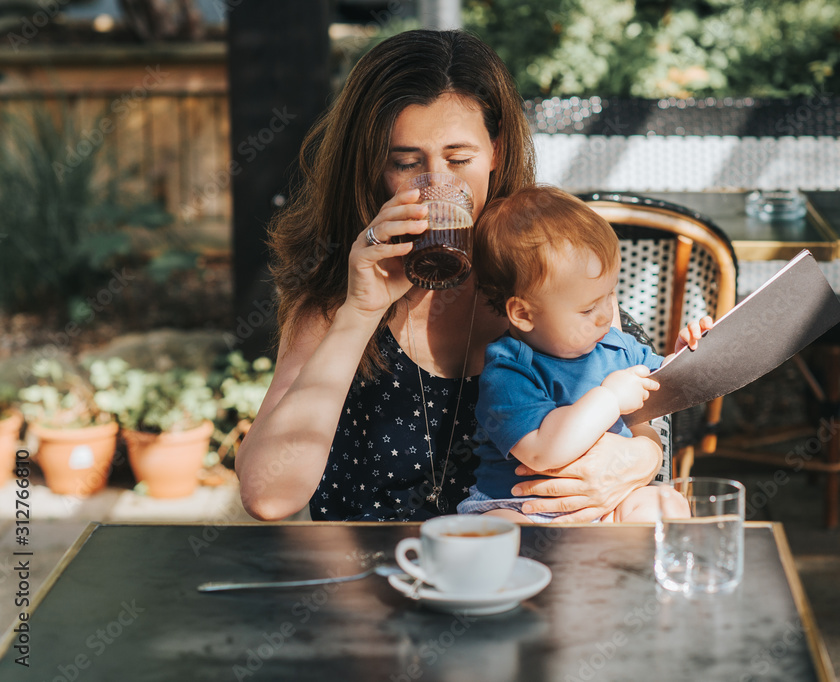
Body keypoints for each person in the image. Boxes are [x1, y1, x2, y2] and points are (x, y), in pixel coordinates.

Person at [236, 29, 686, 523]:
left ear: (495, 150)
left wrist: (643, 458)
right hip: (379, 584)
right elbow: (268, 496)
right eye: (407, 163)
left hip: (529, 580)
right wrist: (359, 312)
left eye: (459, 159)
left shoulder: (548, 276)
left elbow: (635, 405)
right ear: (371, 168)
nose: (440, 185)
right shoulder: (334, 301)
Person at [458, 187, 707, 522]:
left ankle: (630, 570)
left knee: (666, 503)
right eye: (588, 308)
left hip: (609, 502)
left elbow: (664, 387)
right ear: (524, 314)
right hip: (521, 507)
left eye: (610, 296)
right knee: (499, 530)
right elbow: (545, 450)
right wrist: (610, 399)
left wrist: (686, 355)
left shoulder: (615, 344)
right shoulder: (509, 370)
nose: (606, 315)